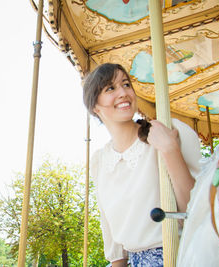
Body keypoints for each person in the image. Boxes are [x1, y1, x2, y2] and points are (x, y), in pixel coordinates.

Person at [83, 63, 201, 267]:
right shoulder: (99, 162)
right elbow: (109, 230)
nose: (123, 93)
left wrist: (170, 150)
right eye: (110, 88)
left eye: (126, 84)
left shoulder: (168, 132)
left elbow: (195, 211)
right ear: (95, 107)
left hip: (181, 256)